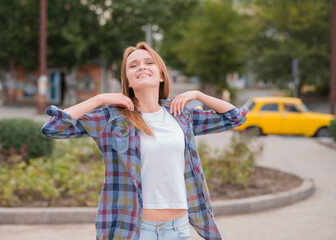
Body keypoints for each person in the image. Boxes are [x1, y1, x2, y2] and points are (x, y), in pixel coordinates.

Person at [41, 42, 248, 240]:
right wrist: (99, 99)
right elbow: (53, 128)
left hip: (179, 228)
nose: (142, 67)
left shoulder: (181, 114)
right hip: (136, 230)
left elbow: (235, 118)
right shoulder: (112, 118)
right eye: (133, 65)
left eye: (149, 63)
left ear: (160, 75)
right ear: (128, 81)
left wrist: (198, 94)